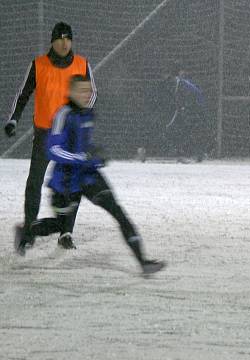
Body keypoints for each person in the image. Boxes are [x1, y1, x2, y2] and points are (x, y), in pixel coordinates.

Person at [14, 75, 164, 276]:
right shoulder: (63, 114)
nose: (87, 95)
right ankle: (27, 230)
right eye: (82, 91)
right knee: (60, 225)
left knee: (118, 212)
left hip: (88, 176)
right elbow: (53, 149)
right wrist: (82, 157)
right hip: (65, 181)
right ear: (70, 92)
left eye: (89, 91)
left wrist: (95, 154)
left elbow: (83, 146)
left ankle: (143, 262)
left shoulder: (89, 114)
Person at [5, 22, 96, 254]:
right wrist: (13, 119)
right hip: (45, 134)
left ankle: (66, 232)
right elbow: (23, 94)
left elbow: (93, 93)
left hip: (70, 137)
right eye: (60, 38)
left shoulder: (82, 64)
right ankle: (28, 231)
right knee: (35, 183)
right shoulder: (38, 65)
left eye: (68, 38)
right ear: (52, 41)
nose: (65, 42)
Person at [166, 69, 208, 163]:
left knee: (190, 130)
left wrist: (184, 108)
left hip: (196, 108)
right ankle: (194, 154)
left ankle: (194, 154)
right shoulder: (181, 83)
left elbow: (191, 96)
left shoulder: (182, 84)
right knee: (188, 130)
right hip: (193, 108)